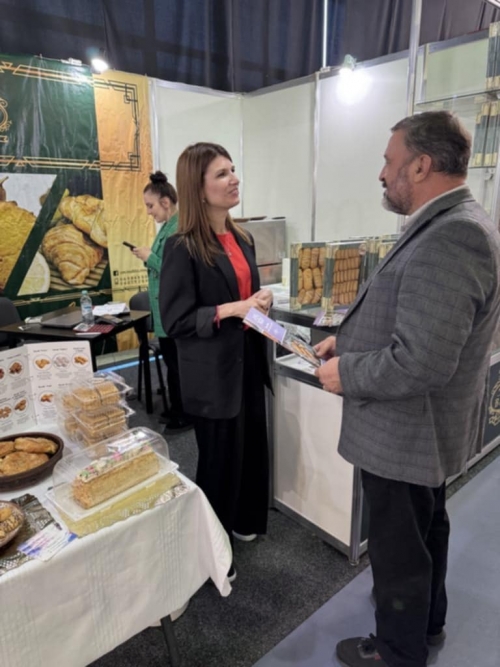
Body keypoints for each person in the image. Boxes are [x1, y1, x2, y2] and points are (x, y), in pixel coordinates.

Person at [315, 111, 500, 667]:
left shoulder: (454, 235)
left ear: (420, 165)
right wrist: (348, 340)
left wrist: (348, 372)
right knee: (424, 530)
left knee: (399, 549)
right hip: (420, 431)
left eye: (389, 161)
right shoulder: (450, 222)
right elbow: (416, 320)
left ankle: (398, 652)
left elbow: (421, 361)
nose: (381, 173)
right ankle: (428, 622)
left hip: (406, 433)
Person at [159, 142, 273, 581]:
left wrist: (258, 301)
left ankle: (243, 519)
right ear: (198, 187)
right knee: (219, 460)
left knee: (251, 449)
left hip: (248, 360)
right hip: (212, 372)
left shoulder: (242, 238)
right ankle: (211, 551)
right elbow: (176, 319)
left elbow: (246, 298)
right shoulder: (182, 246)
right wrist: (232, 309)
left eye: (233, 170)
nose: (234, 179)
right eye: (222, 174)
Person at [132, 171, 190, 432]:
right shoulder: (168, 227)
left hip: (174, 311)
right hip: (165, 310)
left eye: (150, 206)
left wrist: (149, 257)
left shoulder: (179, 229)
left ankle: (184, 414)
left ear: (165, 202)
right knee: (173, 365)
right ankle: (177, 408)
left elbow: (176, 271)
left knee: (178, 368)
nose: (148, 212)